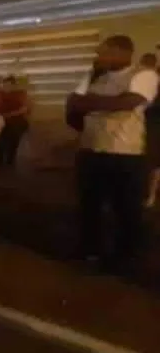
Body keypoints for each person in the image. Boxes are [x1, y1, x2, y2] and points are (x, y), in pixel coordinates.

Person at [66, 35, 159, 273]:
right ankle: (89, 249)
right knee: (89, 205)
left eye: (103, 53)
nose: (98, 58)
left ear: (122, 52)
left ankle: (126, 256)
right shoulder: (96, 76)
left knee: (125, 208)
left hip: (125, 153)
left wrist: (91, 102)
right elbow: (73, 103)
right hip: (91, 149)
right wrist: (91, 103)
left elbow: (128, 102)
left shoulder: (143, 75)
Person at [0, 75, 30, 169]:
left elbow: (24, 109)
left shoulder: (20, 94)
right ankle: (0, 162)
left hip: (16, 123)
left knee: (12, 138)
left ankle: (10, 161)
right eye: (5, 85)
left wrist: (9, 115)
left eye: (9, 85)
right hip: (0, 122)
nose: (6, 87)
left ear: (14, 85)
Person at [140, 52, 160, 207]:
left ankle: (151, 195)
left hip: (153, 120)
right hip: (150, 121)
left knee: (154, 160)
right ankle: (150, 195)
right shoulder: (150, 77)